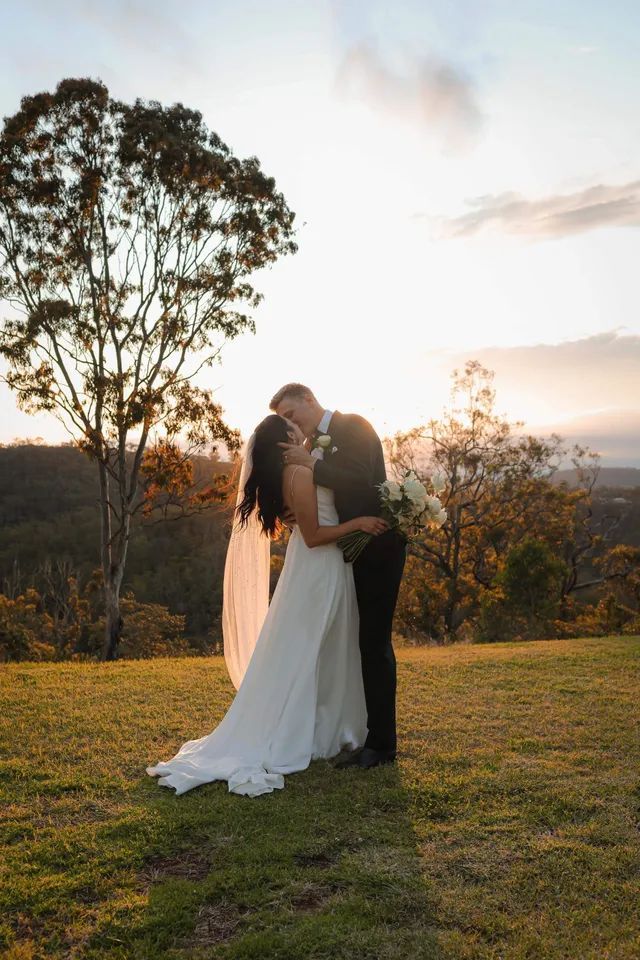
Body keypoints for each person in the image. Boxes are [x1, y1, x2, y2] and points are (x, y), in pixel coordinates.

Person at [146, 413, 388, 797]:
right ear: (285, 440)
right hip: (319, 567)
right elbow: (313, 536)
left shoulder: (296, 471)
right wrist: (358, 523)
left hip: (320, 568)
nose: (302, 430)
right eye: (294, 428)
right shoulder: (301, 472)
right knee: (313, 646)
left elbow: (306, 521)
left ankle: (326, 723)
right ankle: (311, 728)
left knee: (320, 646)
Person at [272, 383, 407, 769]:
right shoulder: (311, 447)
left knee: (373, 643)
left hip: (379, 546)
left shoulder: (353, 425)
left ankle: (382, 745)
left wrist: (310, 463)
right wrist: (294, 511)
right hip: (345, 552)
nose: (289, 422)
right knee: (350, 644)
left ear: (309, 399)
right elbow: (322, 496)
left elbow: (361, 480)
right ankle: (354, 731)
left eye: (290, 414)